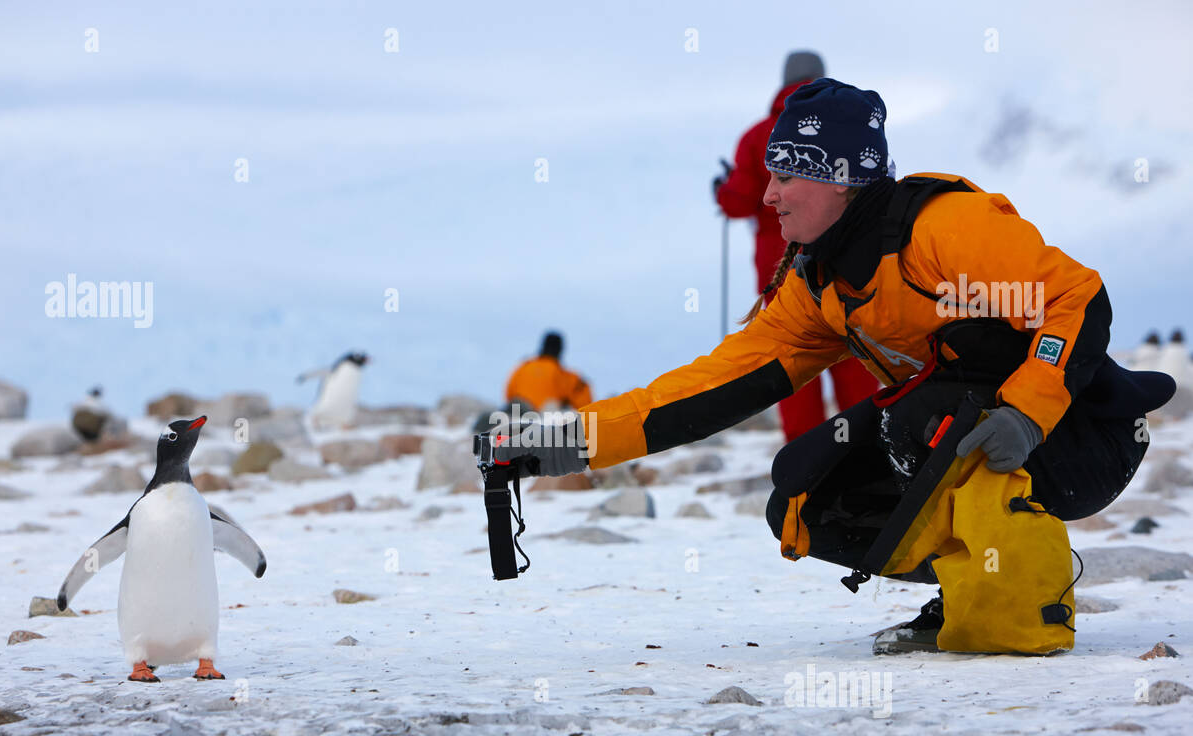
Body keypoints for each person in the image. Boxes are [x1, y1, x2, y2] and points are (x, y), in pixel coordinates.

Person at [486, 78, 1174, 654]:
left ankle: (1018, 613)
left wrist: (1029, 410)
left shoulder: (938, 229)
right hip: (971, 425)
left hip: (1085, 435)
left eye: (786, 175)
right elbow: (701, 392)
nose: (768, 195)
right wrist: (558, 446)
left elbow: (1076, 297)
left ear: (838, 178)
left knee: (923, 419)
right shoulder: (816, 287)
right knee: (800, 492)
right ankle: (969, 590)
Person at [714, 51, 878, 441]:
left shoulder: (759, 136)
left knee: (794, 360)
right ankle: (863, 453)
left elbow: (739, 201)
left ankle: (804, 467)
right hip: (848, 260)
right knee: (852, 351)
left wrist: (722, 191)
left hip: (782, 268)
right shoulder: (848, 131)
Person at [504, 332, 593, 412]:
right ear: (560, 350)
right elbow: (584, 403)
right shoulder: (564, 375)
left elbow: (508, 393)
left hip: (518, 412)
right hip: (544, 419)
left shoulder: (523, 367)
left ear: (543, 346)